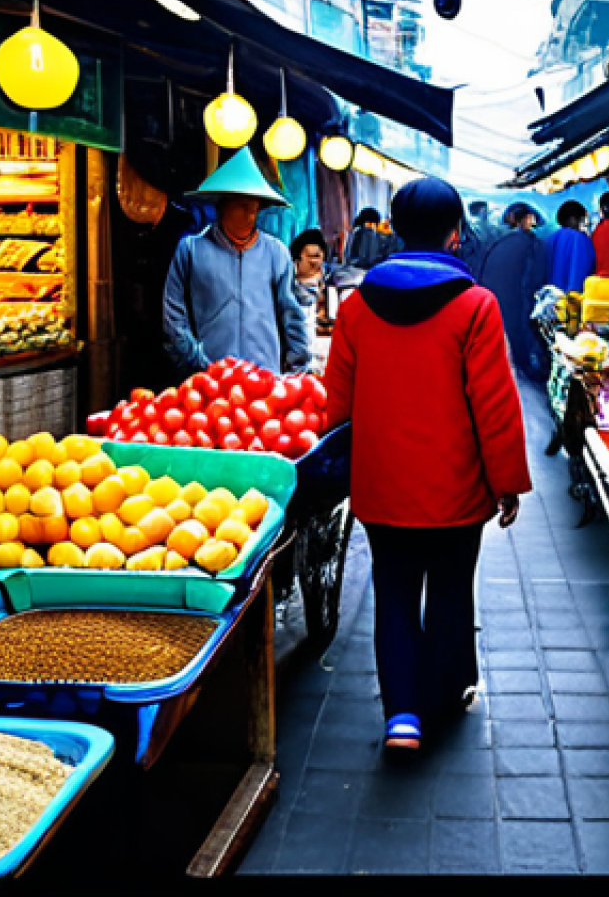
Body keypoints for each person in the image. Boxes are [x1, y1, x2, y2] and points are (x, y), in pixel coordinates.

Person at [322, 175, 532, 753]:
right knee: (449, 590)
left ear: (394, 232)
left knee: (391, 594)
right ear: (455, 234)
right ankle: (444, 695)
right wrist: (507, 481)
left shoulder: (358, 306)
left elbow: (335, 405)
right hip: (456, 488)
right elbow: (494, 403)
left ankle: (402, 718)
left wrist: (336, 474)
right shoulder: (476, 306)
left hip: (381, 486)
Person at [162, 146, 312, 383]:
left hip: (266, 380)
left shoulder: (276, 252)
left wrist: (298, 369)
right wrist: (196, 359)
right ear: (223, 205)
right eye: (242, 204)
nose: (251, 213)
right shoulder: (191, 249)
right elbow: (173, 314)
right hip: (212, 382)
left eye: (255, 206)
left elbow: (291, 313)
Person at [478, 201, 549, 382]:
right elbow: (535, 279)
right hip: (518, 305)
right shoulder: (532, 244)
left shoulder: (495, 241)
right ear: (525, 219)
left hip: (494, 306)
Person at [290, 226, 331, 373]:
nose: (314, 262)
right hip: (294, 371)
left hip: (323, 367)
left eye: (317, 257)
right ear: (297, 260)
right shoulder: (286, 293)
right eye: (310, 257)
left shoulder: (331, 292)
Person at [544, 199, 595, 294]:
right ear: (573, 219)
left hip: (551, 296)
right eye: (582, 219)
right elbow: (584, 267)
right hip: (573, 297)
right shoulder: (580, 238)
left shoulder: (550, 238)